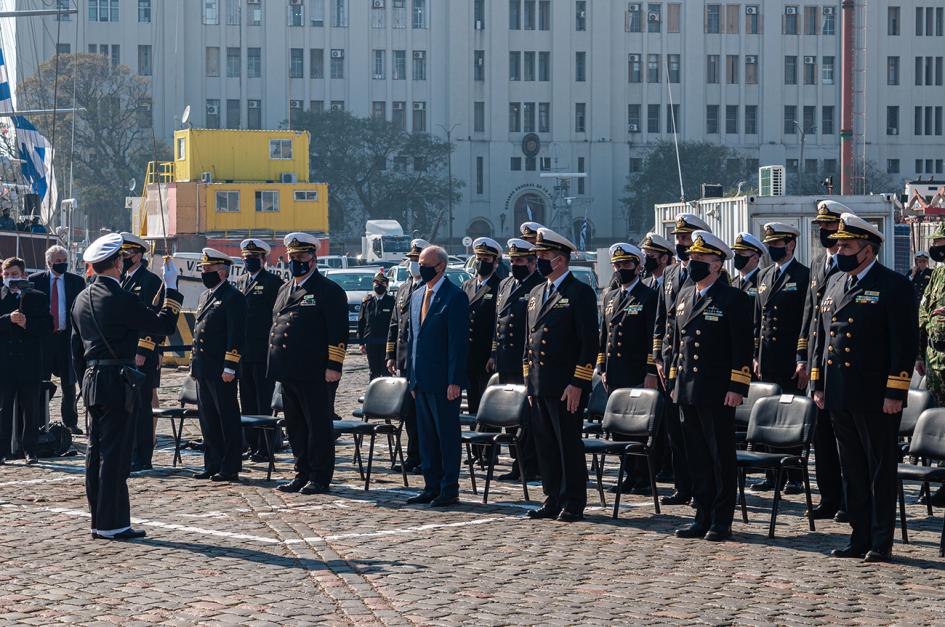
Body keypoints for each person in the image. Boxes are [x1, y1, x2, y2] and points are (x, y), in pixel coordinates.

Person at [812, 213, 917, 563]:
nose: (839, 249)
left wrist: (895, 392)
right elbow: (821, 336)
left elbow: (904, 344)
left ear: (867, 250)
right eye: (838, 244)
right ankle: (858, 535)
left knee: (878, 469)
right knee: (852, 469)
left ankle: (880, 540)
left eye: (847, 245)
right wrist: (818, 383)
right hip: (839, 391)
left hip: (875, 394)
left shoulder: (894, 286)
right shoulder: (835, 282)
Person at [71, 233, 182, 539]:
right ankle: (113, 523)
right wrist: (171, 289)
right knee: (115, 454)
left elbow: (75, 349)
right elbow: (163, 325)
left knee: (95, 453)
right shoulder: (119, 298)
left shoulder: (81, 298)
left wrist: (85, 382)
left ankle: (98, 519)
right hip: (117, 381)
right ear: (118, 262)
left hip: (93, 380)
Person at [667, 231, 753, 542]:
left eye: (701, 259)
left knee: (720, 457)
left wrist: (737, 386)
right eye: (692, 258)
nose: (693, 263)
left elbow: (742, 347)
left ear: (717, 264)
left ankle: (721, 519)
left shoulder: (733, 299)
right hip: (688, 389)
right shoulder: (685, 295)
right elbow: (677, 344)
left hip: (718, 390)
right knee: (697, 457)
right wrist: (675, 382)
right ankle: (701, 515)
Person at [523, 228, 599, 522]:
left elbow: (589, 342)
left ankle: (573, 500)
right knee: (546, 445)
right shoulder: (536, 292)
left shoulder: (579, 293)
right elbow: (527, 342)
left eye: (543, 256)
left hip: (565, 384)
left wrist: (578, 382)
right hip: (540, 383)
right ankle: (552, 496)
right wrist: (529, 382)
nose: (539, 260)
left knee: (567, 444)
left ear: (559, 260)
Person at [269, 233, 348, 495]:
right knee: (295, 426)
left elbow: (338, 332)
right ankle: (301, 471)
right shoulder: (284, 289)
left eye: (301, 257)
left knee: (318, 426)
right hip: (289, 370)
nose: (295, 261)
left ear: (313, 259)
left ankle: (320, 476)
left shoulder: (328, 290)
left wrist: (334, 366)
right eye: (292, 257)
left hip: (315, 371)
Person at [652, 213, 712, 507]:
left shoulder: (710, 274)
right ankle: (682, 486)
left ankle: (703, 488)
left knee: (696, 434)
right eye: (677, 238)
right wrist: (659, 359)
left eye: (686, 238)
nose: (680, 243)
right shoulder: (672, 274)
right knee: (675, 430)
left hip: (695, 367)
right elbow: (663, 320)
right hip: (670, 363)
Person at [404, 245, 469, 507]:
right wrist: (411, 377)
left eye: (425, 262)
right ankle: (431, 485)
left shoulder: (455, 297)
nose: (421, 267)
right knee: (427, 436)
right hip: (421, 379)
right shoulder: (418, 295)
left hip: (444, 381)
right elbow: (412, 340)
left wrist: (455, 380)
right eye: (419, 262)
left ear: (440, 266)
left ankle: (448, 487)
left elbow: (458, 343)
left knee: (446, 436)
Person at [751, 223, 810, 495]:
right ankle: (772, 474)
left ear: (791, 245)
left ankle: (795, 475)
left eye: (777, 245)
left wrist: (803, 358)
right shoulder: (763, 276)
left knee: (790, 417)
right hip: (767, 358)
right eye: (769, 244)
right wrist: (755, 355)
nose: (772, 249)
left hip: (789, 358)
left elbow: (806, 322)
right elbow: (757, 321)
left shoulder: (803, 276)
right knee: (771, 414)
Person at [797, 200, 847, 520]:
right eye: (821, 227)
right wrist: (802, 354)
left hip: (840, 363)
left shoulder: (848, 264)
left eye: (830, 227)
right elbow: (809, 313)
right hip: (816, 361)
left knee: (842, 438)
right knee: (821, 437)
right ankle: (827, 497)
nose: (824, 232)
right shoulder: (817, 263)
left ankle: (847, 499)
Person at [597, 243, 658, 494]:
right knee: (620, 429)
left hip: (636, 371)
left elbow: (653, 337)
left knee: (637, 429)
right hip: (614, 372)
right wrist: (601, 366)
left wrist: (650, 371)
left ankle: (642, 476)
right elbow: (604, 335)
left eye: (626, 264)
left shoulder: (649, 296)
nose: (621, 269)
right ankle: (629, 474)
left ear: (638, 266)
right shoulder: (610, 296)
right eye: (617, 265)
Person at [489, 238, 543, 481]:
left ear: (532, 263)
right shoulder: (505, 284)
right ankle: (517, 461)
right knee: (510, 416)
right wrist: (493, 353)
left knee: (527, 418)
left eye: (520, 260)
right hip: (505, 359)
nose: (515, 264)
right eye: (512, 260)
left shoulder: (538, 285)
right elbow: (498, 322)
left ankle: (530, 464)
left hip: (525, 361)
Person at [191, 248, 246, 482]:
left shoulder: (233, 297)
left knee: (227, 418)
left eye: (208, 269)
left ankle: (229, 466)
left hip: (221, 369)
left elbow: (236, 335)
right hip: (204, 368)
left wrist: (230, 366)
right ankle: (212, 463)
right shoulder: (206, 296)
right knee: (208, 419)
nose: (204, 273)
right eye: (203, 269)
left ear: (222, 273)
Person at [119, 232, 165, 472]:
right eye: (122, 254)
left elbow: (152, 319)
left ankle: (143, 455)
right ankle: (132, 451)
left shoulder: (149, 281)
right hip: (125, 354)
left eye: (127, 254)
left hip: (141, 354)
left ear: (138, 255)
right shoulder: (124, 279)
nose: (124, 258)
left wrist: (144, 350)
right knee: (129, 406)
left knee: (142, 406)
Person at [0, 257, 51, 464]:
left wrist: (27, 323)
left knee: (30, 408)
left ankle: (30, 449)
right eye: (7, 275)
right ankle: (3, 450)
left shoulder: (37, 297)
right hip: (4, 363)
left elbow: (48, 327)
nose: (11, 279)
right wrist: (7, 320)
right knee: (4, 409)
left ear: (23, 275)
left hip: (29, 362)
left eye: (14, 274)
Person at [29, 245, 85, 435]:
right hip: (44, 340)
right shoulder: (35, 281)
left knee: (69, 383)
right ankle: (39, 422)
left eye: (64, 261)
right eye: (58, 261)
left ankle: (70, 422)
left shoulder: (76, 281)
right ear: (49, 262)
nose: (62, 264)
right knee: (41, 381)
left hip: (66, 338)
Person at [237, 238, 284, 463]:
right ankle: (251, 444)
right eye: (247, 258)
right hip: (244, 353)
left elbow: (276, 318)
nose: (250, 262)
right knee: (246, 400)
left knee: (262, 401)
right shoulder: (241, 282)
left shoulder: (273, 282)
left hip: (263, 352)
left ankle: (266, 446)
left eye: (254, 258)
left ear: (263, 259)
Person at [385, 238, 429, 473]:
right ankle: (413, 455)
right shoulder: (404, 288)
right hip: (404, 360)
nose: (413, 265)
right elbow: (395, 324)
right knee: (409, 414)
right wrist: (390, 354)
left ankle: (425, 457)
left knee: (423, 413)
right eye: (411, 260)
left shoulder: (429, 288)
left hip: (421, 361)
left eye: (416, 260)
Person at [917, 227, 945, 507]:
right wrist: (919, 355)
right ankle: (938, 480)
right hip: (935, 361)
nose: (938, 249)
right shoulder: (936, 274)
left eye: (941, 243)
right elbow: (924, 311)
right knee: (939, 421)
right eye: (935, 244)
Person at [464, 237, 502, 415]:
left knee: (487, 408)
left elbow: (498, 323)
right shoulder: (467, 285)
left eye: (486, 260)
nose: (480, 263)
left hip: (486, 355)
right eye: (478, 259)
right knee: (473, 406)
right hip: (469, 354)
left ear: (495, 263)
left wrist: (494, 354)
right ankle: (475, 443)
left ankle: (488, 443)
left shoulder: (500, 286)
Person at [358, 271, 394, 380]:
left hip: (386, 341)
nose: (378, 286)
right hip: (371, 340)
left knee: (386, 370)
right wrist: (361, 342)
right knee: (373, 371)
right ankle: (374, 394)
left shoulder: (391, 301)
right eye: (376, 283)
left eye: (381, 283)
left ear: (386, 285)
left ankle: (388, 395)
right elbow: (362, 322)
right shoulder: (367, 302)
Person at [730, 232, 766, 299]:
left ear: (755, 258)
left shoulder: (764, 280)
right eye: (736, 252)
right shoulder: (732, 282)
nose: (736, 256)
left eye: (741, 253)